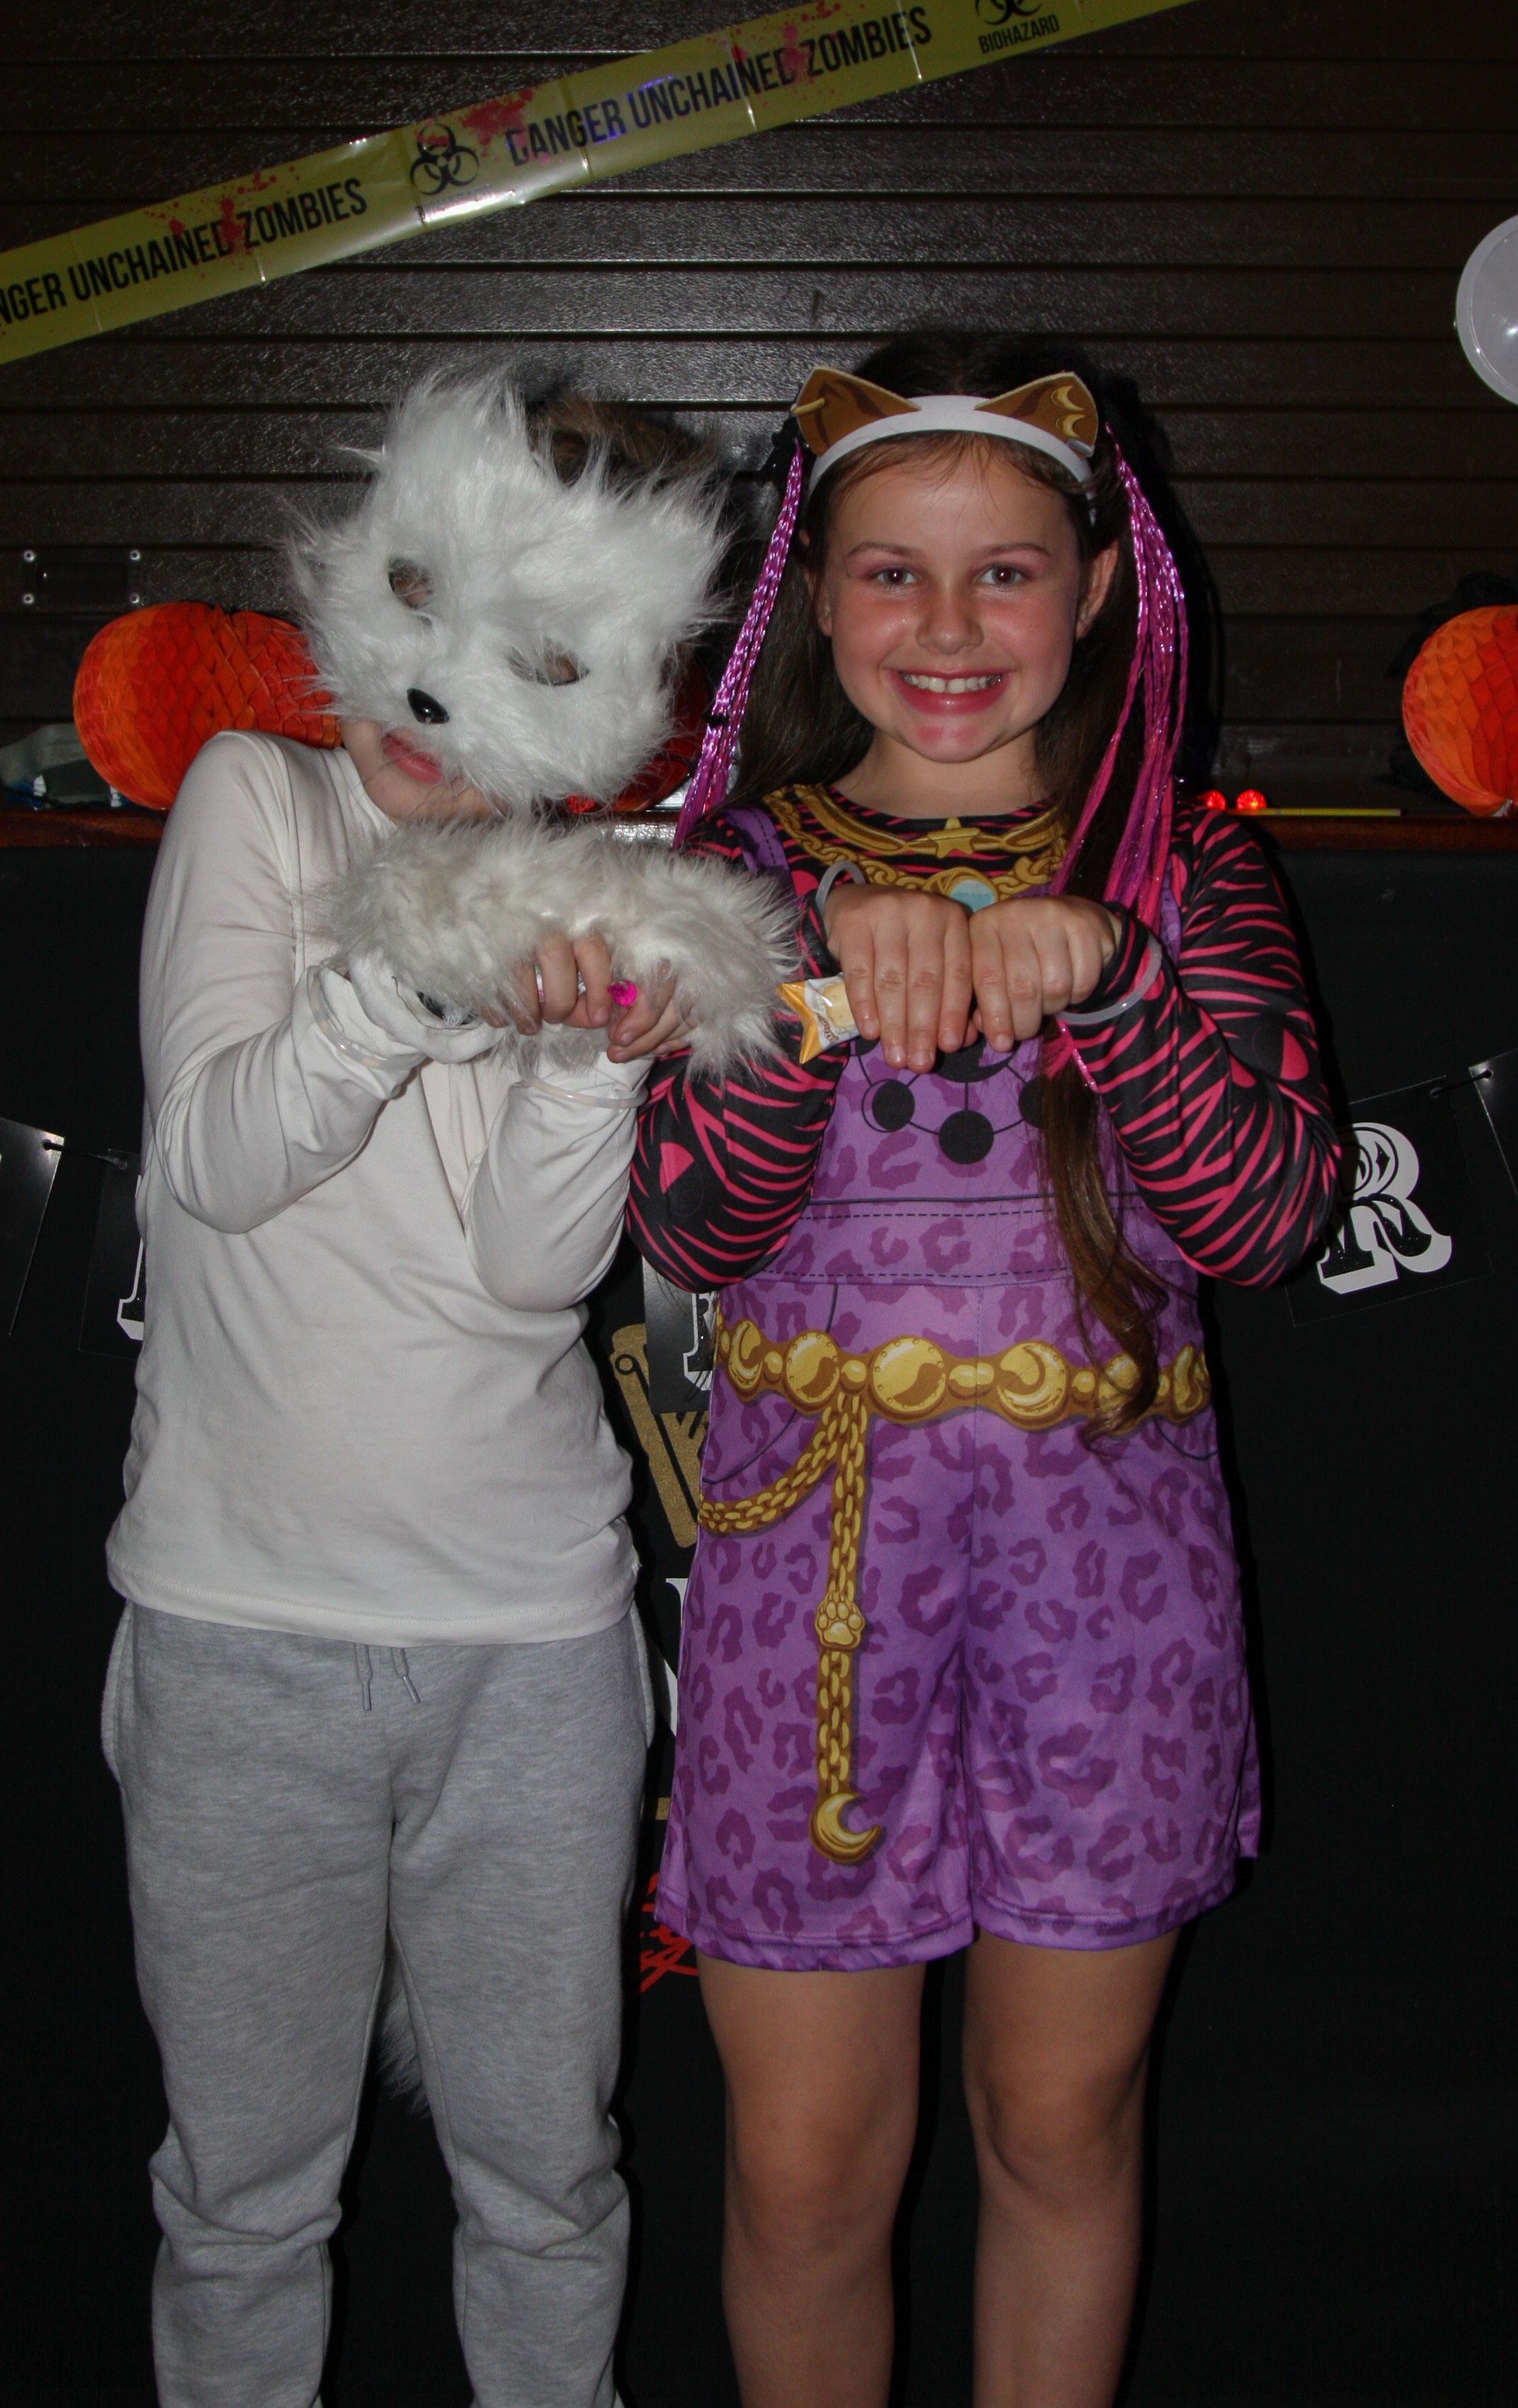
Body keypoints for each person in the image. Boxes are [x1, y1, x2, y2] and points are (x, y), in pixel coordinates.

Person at [627, 334, 1341, 2408]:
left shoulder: (1186, 865)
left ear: (1097, 589)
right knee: (801, 2170)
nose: (947, 627)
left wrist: (1117, 988)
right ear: (816, 595)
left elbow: (1271, 1222)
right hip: (809, 1593)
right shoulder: (733, 877)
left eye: (1005, 571)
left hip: (1114, 1597)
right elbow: (689, 1226)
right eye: (894, 572)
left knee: (1060, 2122)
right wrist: (808, 990)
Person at [98, 374, 727, 2408]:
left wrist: (595, 1057)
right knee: (243, 2197)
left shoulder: (590, 894)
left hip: (528, 1641)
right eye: (422, 600)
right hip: (240, 1628)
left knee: (546, 2181)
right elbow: (213, 1157)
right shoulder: (260, 804)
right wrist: (407, 982)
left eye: (534, 657)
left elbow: (534, 1273)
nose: (441, 699)